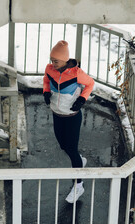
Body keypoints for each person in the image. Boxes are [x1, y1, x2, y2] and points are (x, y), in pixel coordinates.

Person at [43, 40, 94, 203]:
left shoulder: (76, 73)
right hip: (57, 114)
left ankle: (79, 185)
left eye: (55, 61)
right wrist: (45, 91)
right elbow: (46, 80)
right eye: (51, 60)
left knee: (71, 149)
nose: (53, 63)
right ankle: (79, 159)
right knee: (63, 146)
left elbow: (90, 84)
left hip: (72, 117)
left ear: (65, 59)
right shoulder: (49, 70)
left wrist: (82, 99)